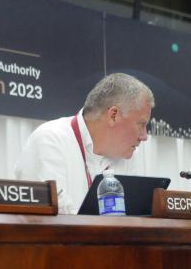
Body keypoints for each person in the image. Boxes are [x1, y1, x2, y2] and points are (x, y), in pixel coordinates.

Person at [15, 73, 155, 214]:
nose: (144, 136)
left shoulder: (128, 154)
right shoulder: (50, 140)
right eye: (141, 124)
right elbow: (53, 219)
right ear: (113, 115)